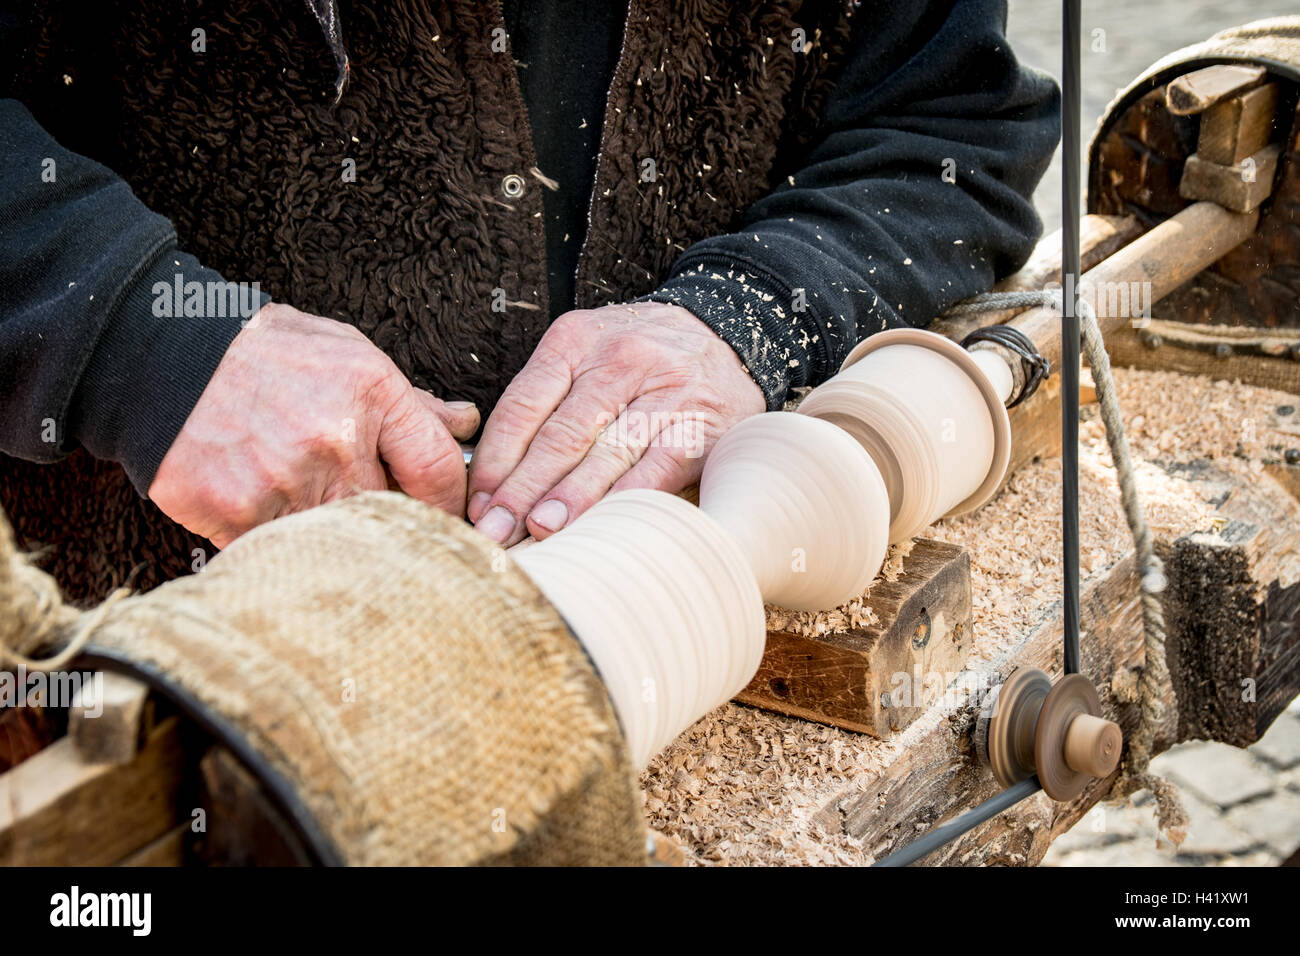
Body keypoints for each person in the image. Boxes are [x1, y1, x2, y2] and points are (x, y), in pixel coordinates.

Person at [0, 0, 1058, 591]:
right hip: (112, 630)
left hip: (662, 624)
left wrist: (752, 308)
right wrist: (131, 333)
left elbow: (947, 130)